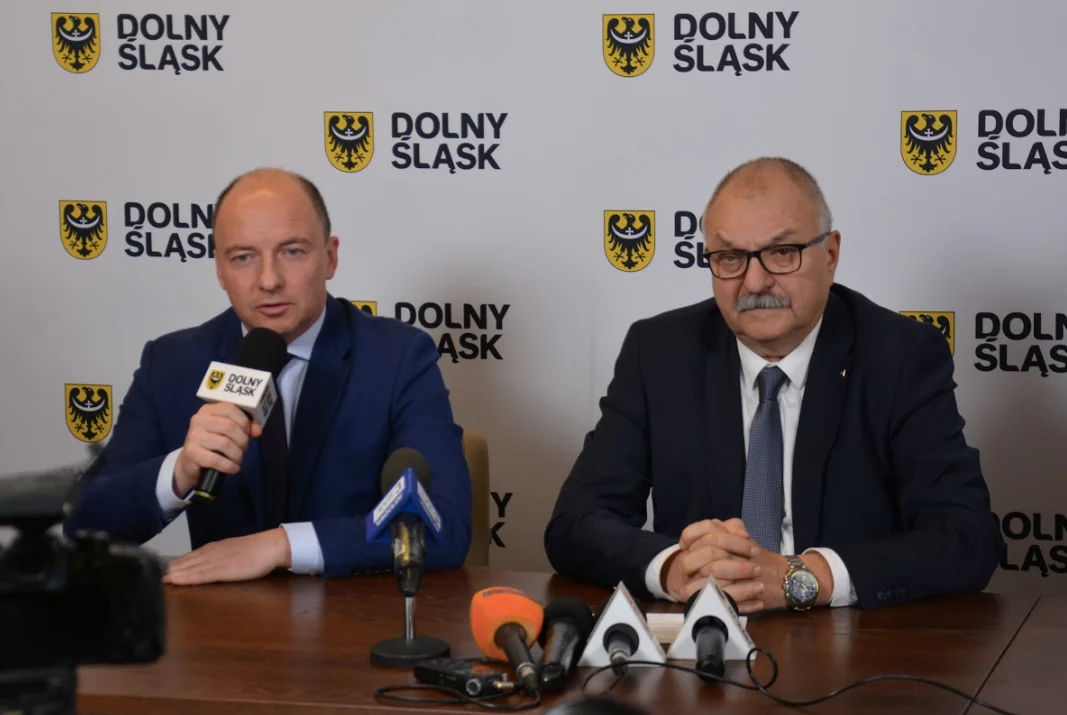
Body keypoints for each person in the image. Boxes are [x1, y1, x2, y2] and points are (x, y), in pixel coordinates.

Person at [544, 157, 1002, 613]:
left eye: (783, 253)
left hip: (852, 641)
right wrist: (673, 569)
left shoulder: (899, 356)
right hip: (704, 640)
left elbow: (967, 537)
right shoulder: (660, 353)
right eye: (730, 257)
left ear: (830, 255)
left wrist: (801, 577)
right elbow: (576, 522)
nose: (755, 281)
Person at [64, 168, 472, 585]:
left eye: (292, 251)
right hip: (225, 619)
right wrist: (180, 471)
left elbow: (443, 525)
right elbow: (83, 525)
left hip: (354, 614)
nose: (269, 280)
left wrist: (280, 546)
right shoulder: (172, 363)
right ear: (220, 269)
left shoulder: (398, 357)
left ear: (330, 257)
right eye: (243, 257)